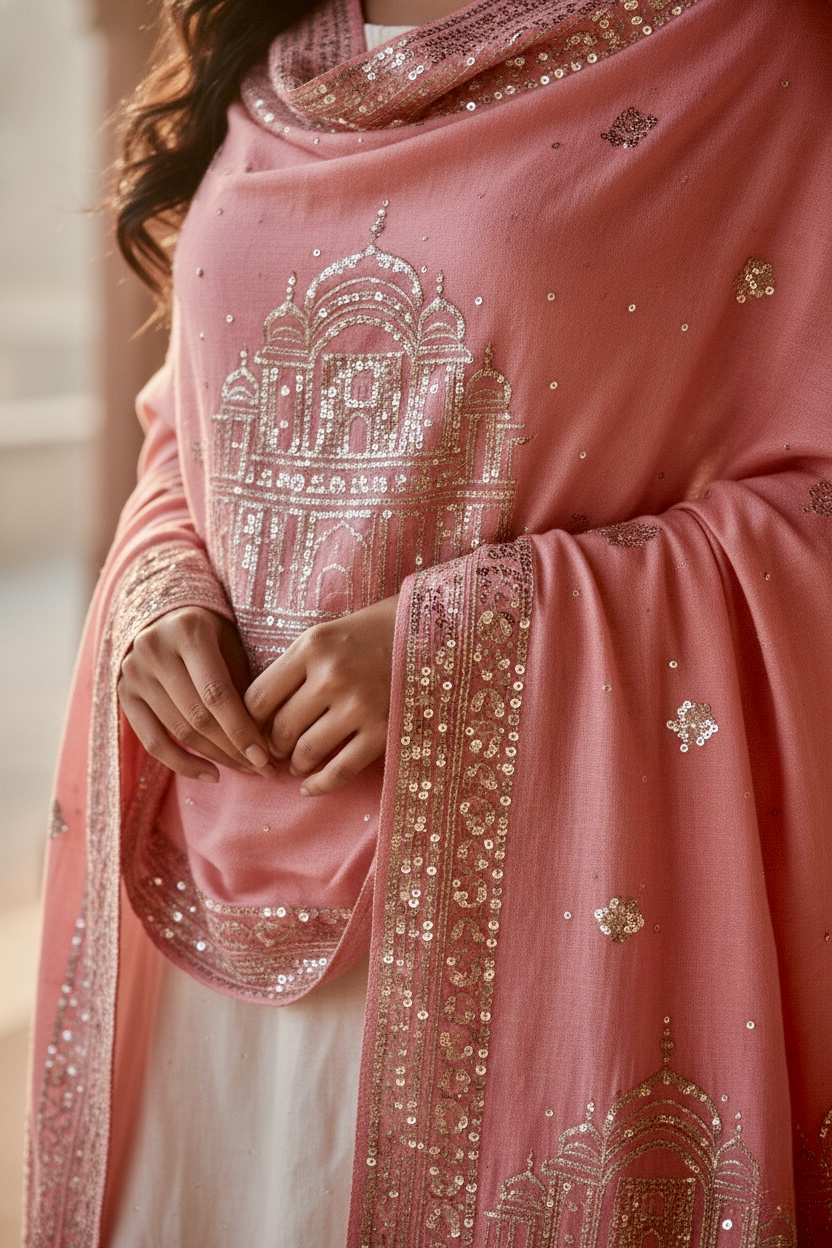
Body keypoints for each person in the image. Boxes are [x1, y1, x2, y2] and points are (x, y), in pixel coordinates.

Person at [24, 0, 832, 1244]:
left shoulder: (745, 51)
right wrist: (161, 580)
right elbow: (194, 413)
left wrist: (468, 649)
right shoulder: (276, 30)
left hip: (537, 918)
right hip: (206, 930)